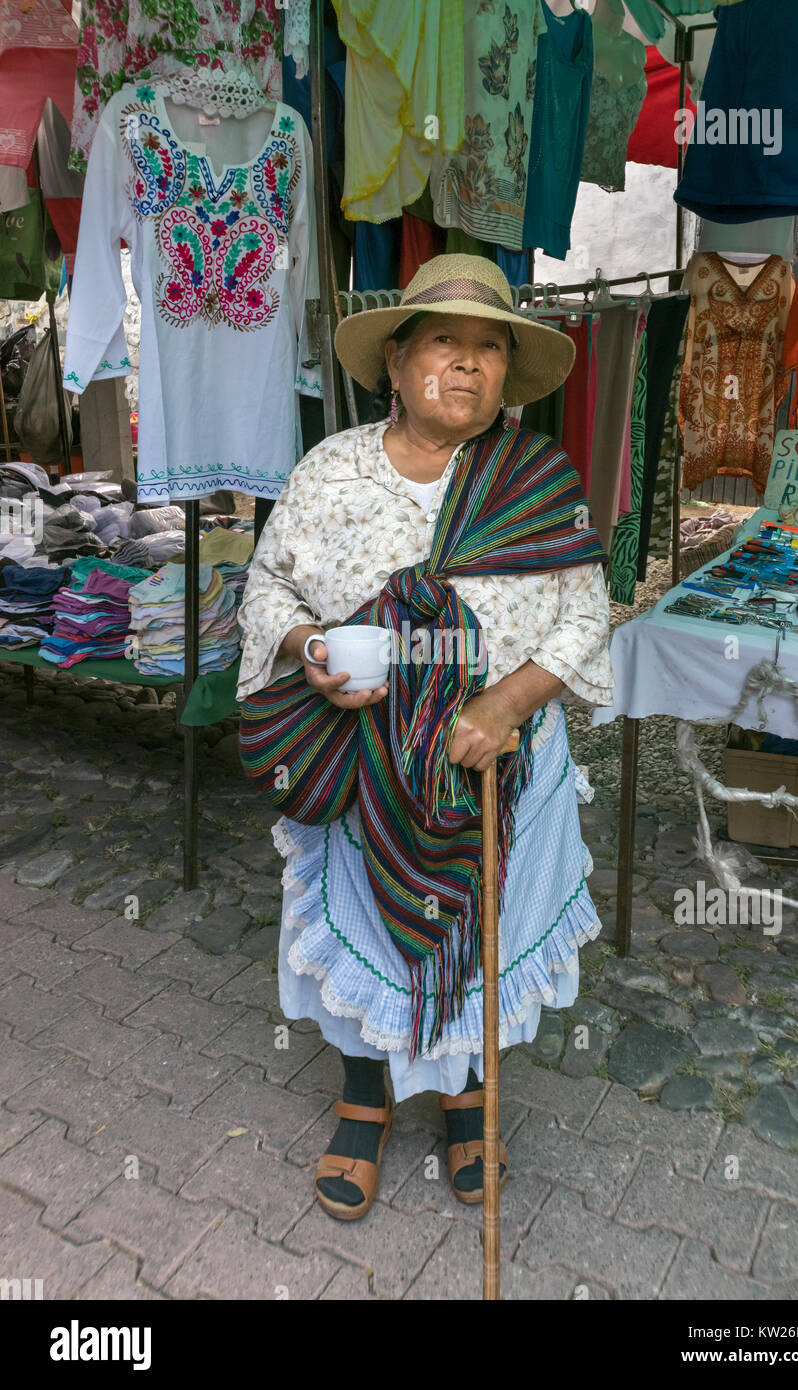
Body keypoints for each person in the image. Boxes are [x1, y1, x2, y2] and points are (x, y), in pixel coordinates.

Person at [236, 254, 614, 1222]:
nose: (468, 364)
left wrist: (503, 706)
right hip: (360, 758)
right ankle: (362, 1097)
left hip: (501, 760)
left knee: (483, 933)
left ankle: (465, 1100)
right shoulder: (331, 470)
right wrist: (308, 643)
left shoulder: (535, 478)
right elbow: (266, 585)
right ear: (395, 364)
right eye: (443, 342)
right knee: (362, 926)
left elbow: (583, 616)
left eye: (489, 348)